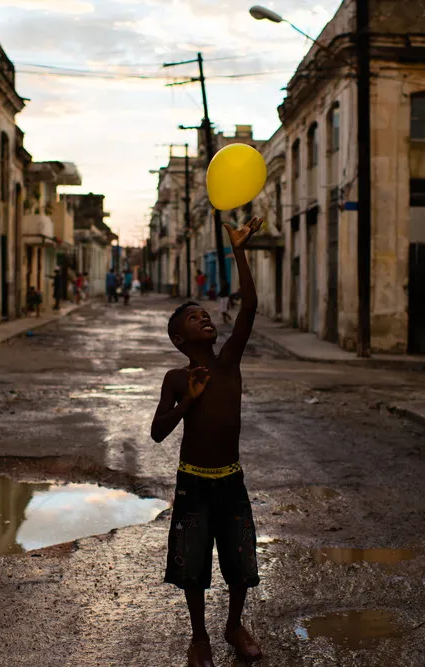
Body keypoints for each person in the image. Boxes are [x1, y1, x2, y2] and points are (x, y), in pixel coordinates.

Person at [151, 217, 265, 667]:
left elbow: (250, 307)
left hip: (230, 480)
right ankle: (199, 638)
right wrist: (188, 403)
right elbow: (158, 431)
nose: (205, 319)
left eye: (206, 315)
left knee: (240, 560)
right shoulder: (177, 379)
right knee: (192, 566)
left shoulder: (229, 362)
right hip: (193, 483)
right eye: (195, 319)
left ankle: (234, 625)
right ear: (180, 339)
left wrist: (239, 250)